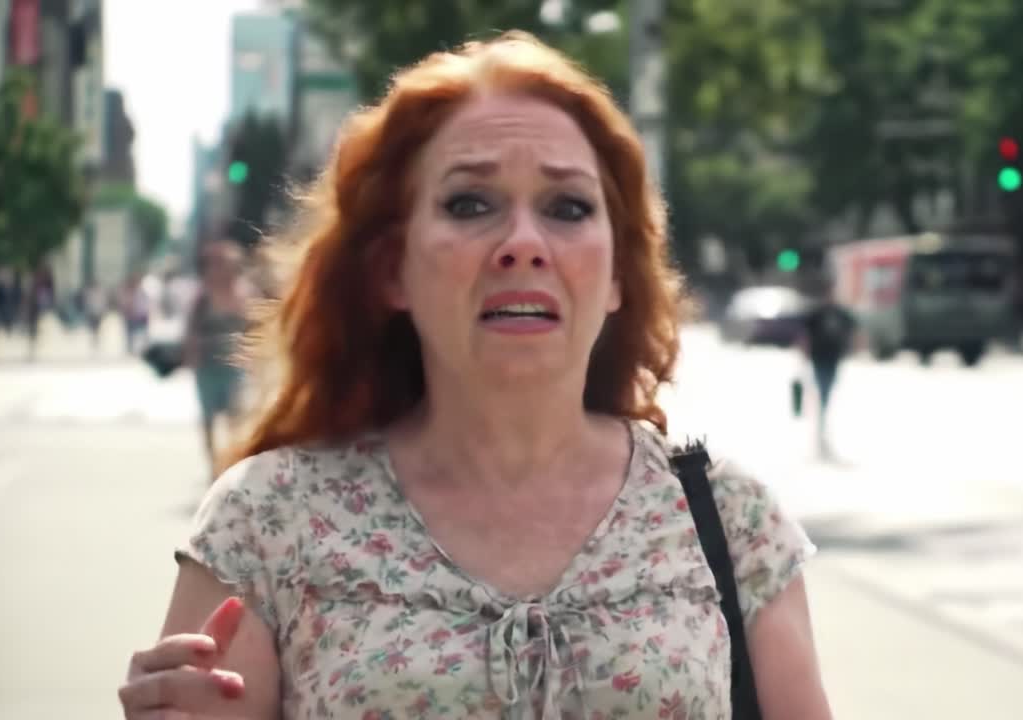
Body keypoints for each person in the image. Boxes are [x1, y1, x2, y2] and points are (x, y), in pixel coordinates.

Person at [119, 33, 832, 719]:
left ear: (617, 272)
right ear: (391, 267)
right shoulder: (269, 522)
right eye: (469, 204)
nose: (524, 243)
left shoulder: (730, 524)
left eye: (568, 208)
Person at [183, 238, 251, 482]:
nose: (221, 269)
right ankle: (213, 466)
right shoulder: (202, 297)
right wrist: (191, 355)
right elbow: (190, 329)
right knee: (209, 418)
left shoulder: (245, 293)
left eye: (228, 264)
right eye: (217, 264)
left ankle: (233, 463)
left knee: (237, 417)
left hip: (236, 367)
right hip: (207, 367)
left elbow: (255, 328)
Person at [798, 292, 855, 459]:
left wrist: (851, 346)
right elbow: (805, 334)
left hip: (833, 358)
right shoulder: (817, 314)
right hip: (819, 358)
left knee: (827, 389)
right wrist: (804, 351)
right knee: (823, 390)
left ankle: (822, 420)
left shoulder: (840, 314)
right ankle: (821, 425)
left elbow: (851, 329)